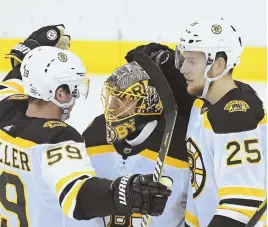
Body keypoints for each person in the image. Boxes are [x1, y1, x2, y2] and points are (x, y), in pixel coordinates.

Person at [0, 26, 172, 227]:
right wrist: (126, 192)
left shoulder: (5, 111)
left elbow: (12, 84)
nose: (75, 98)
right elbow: (79, 197)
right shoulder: (57, 138)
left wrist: (34, 58)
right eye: (73, 90)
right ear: (60, 94)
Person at [82, 43, 195, 227]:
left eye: (123, 100)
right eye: (112, 98)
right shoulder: (95, 134)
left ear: (148, 103)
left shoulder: (180, 144)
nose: (112, 108)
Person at [173, 16, 266, 227]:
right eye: (184, 59)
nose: (183, 69)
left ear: (218, 65)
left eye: (192, 61)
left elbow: (241, 206)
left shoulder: (235, 119)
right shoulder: (203, 105)